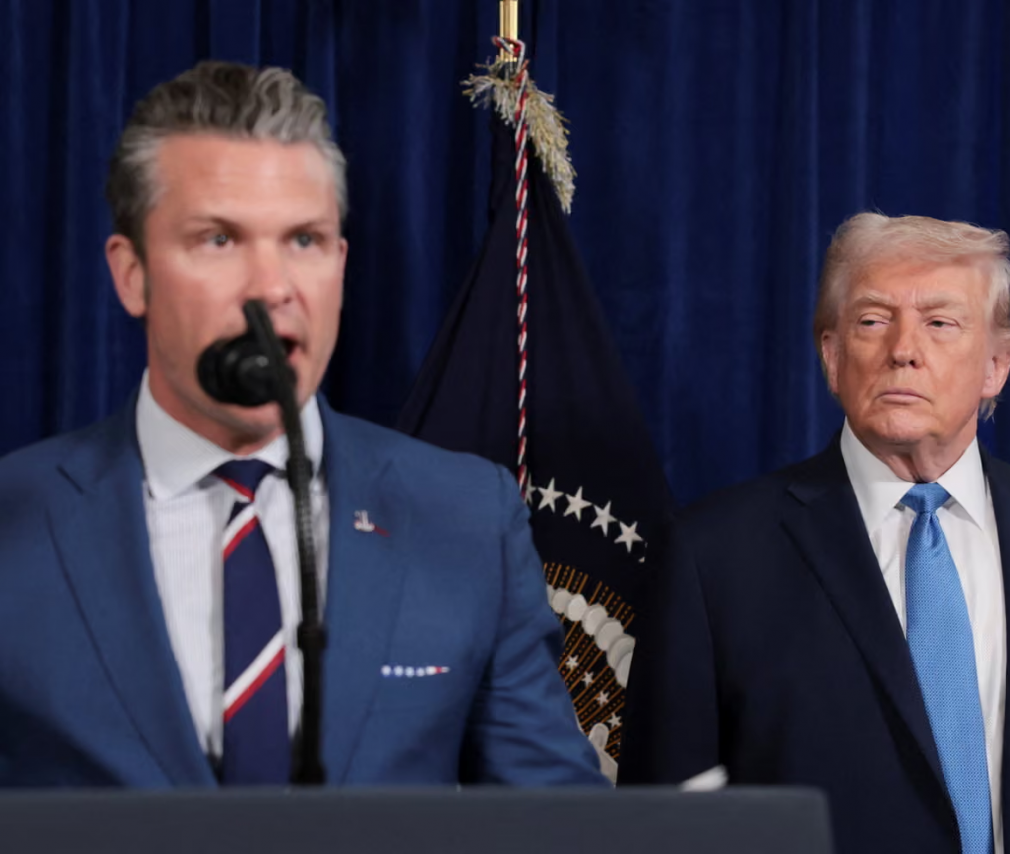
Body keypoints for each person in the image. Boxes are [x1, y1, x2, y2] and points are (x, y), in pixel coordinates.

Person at [0, 61, 604, 788]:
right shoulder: (17, 521)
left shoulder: (466, 518)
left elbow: (556, 824)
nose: (272, 288)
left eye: (304, 241)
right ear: (133, 275)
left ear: (341, 267)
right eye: (218, 240)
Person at [619, 213, 1010, 853]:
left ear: (997, 365)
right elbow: (664, 820)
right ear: (832, 357)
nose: (903, 349)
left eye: (939, 323)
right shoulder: (714, 555)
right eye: (872, 320)